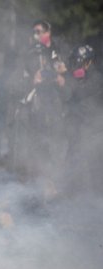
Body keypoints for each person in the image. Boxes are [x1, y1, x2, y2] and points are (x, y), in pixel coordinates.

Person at [10, 20, 67, 178]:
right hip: (35, 107)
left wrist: (62, 78)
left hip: (56, 105)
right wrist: (32, 81)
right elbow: (15, 83)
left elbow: (68, 75)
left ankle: (56, 181)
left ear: (48, 32)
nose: (36, 35)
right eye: (34, 32)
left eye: (39, 31)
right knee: (35, 147)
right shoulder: (27, 53)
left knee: (57, 145)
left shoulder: (58, 51)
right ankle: (36, 182)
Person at [61, 44, 103, 194]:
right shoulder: (82, 76)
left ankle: (95, 200)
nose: (74, 66)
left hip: (93, 130)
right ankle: (70, 193)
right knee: (73, 160)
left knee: (94, 167)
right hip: (80, 129)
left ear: (87, 62)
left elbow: (79, 93)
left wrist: (64, 79)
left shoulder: (96, 77)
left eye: (77, 62)